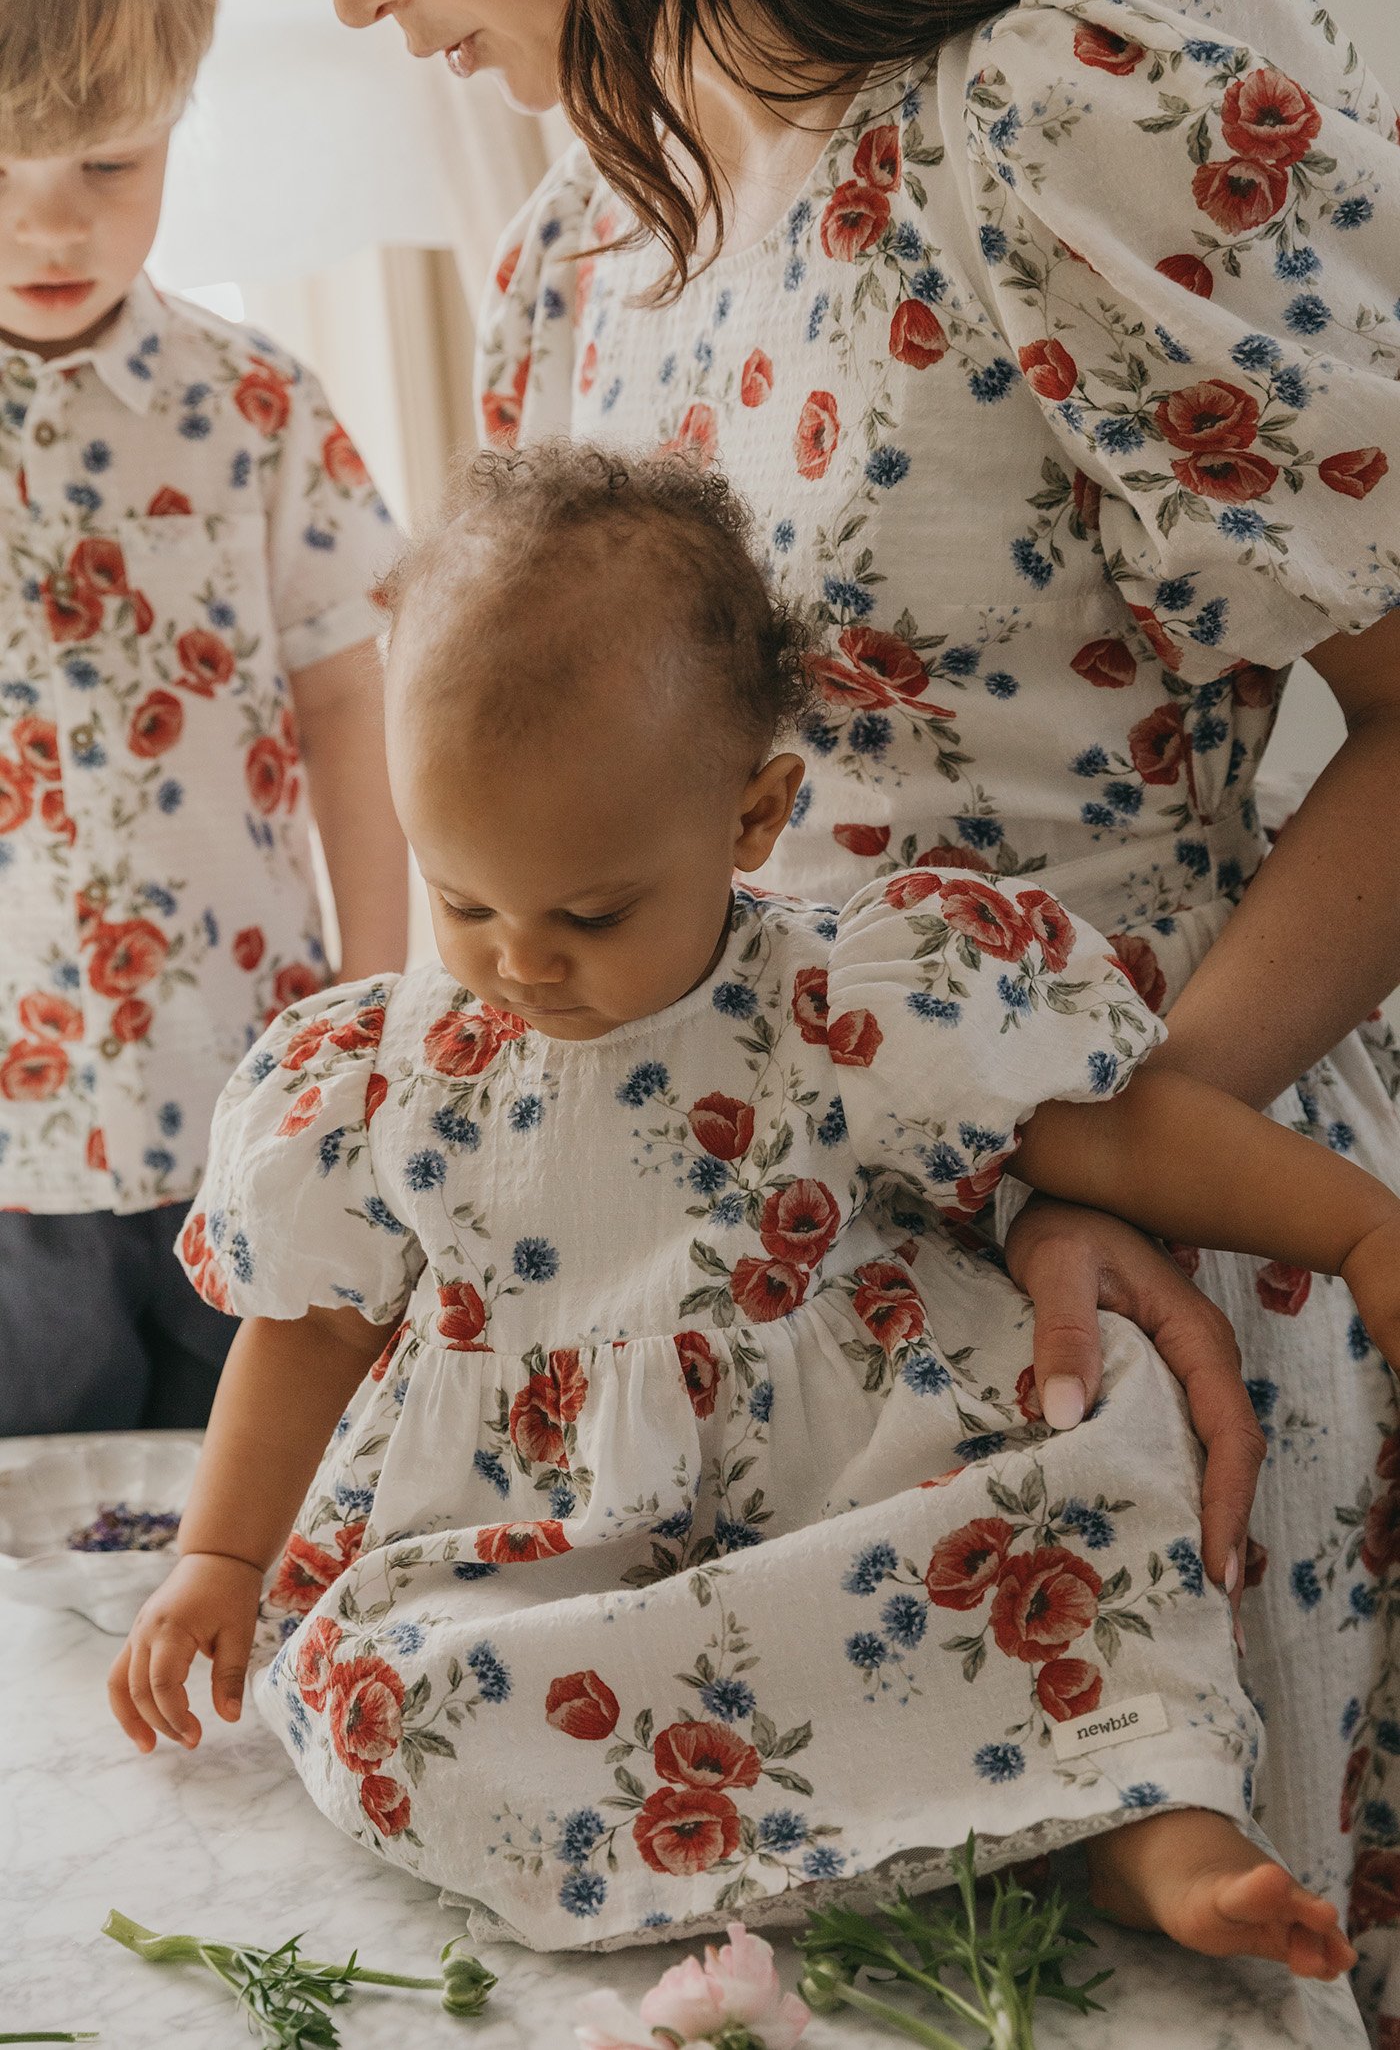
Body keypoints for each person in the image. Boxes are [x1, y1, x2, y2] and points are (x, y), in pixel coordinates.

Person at [320, 0, 1400, 1992]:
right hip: (769, 1392)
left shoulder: (1049, 118)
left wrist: (1109, 1148)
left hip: (1144, 1277)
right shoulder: (578, 246)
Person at [112, 439, 1400, 1975]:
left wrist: (1355, 1224)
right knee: (405, 1707)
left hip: (856, 1503)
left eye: (589, 913)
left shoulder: (849, 1003)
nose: (519, 962)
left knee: (1083, 1525)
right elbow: (311, 1333)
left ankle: (1141, 1831)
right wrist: (223, 1560)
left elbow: (1114, 1140)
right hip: (552, 1556)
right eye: (462, 899)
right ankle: (707, 1865)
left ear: (752, 814)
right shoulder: (391, 1074)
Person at [0, 0, 408, 1436]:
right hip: (11, 1156)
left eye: (108, 163)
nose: (52, 218)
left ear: (177, 120)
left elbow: (354, 714)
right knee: (33, 1571)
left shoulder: (256, 409)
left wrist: (376, 1004)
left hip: (253, 1095)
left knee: (256, 1513)